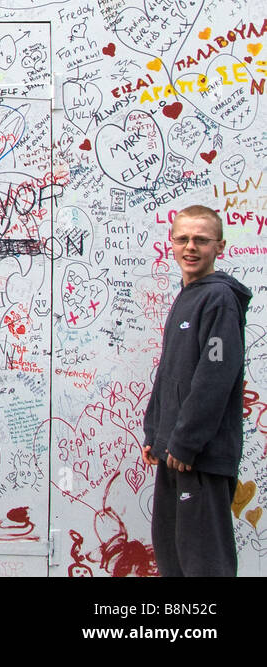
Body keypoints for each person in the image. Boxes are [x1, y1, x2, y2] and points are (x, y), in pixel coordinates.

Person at [141, 204, 252, 576]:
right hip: (174, 453)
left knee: (205, 565)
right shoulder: (187, 295)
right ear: (170, 243)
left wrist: (187, 442)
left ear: (220, 246)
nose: (190, 247)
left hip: (198, 457)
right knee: (174, 560)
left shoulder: (219, 299)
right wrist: (155, 433)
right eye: (183, 238)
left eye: (201, 240)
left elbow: (214, 376)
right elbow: (171, 372)